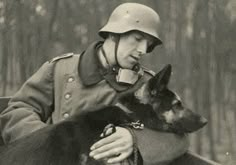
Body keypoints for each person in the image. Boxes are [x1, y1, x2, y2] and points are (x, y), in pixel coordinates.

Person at [0, 3, 189, 164]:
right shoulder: (62, 69)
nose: (142, 50)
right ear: (114, 35)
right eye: (137, 39)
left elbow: (177, 135)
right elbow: (19, 108)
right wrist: (51, 143)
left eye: (147, 44)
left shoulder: (148, 86)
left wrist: (136, 139)